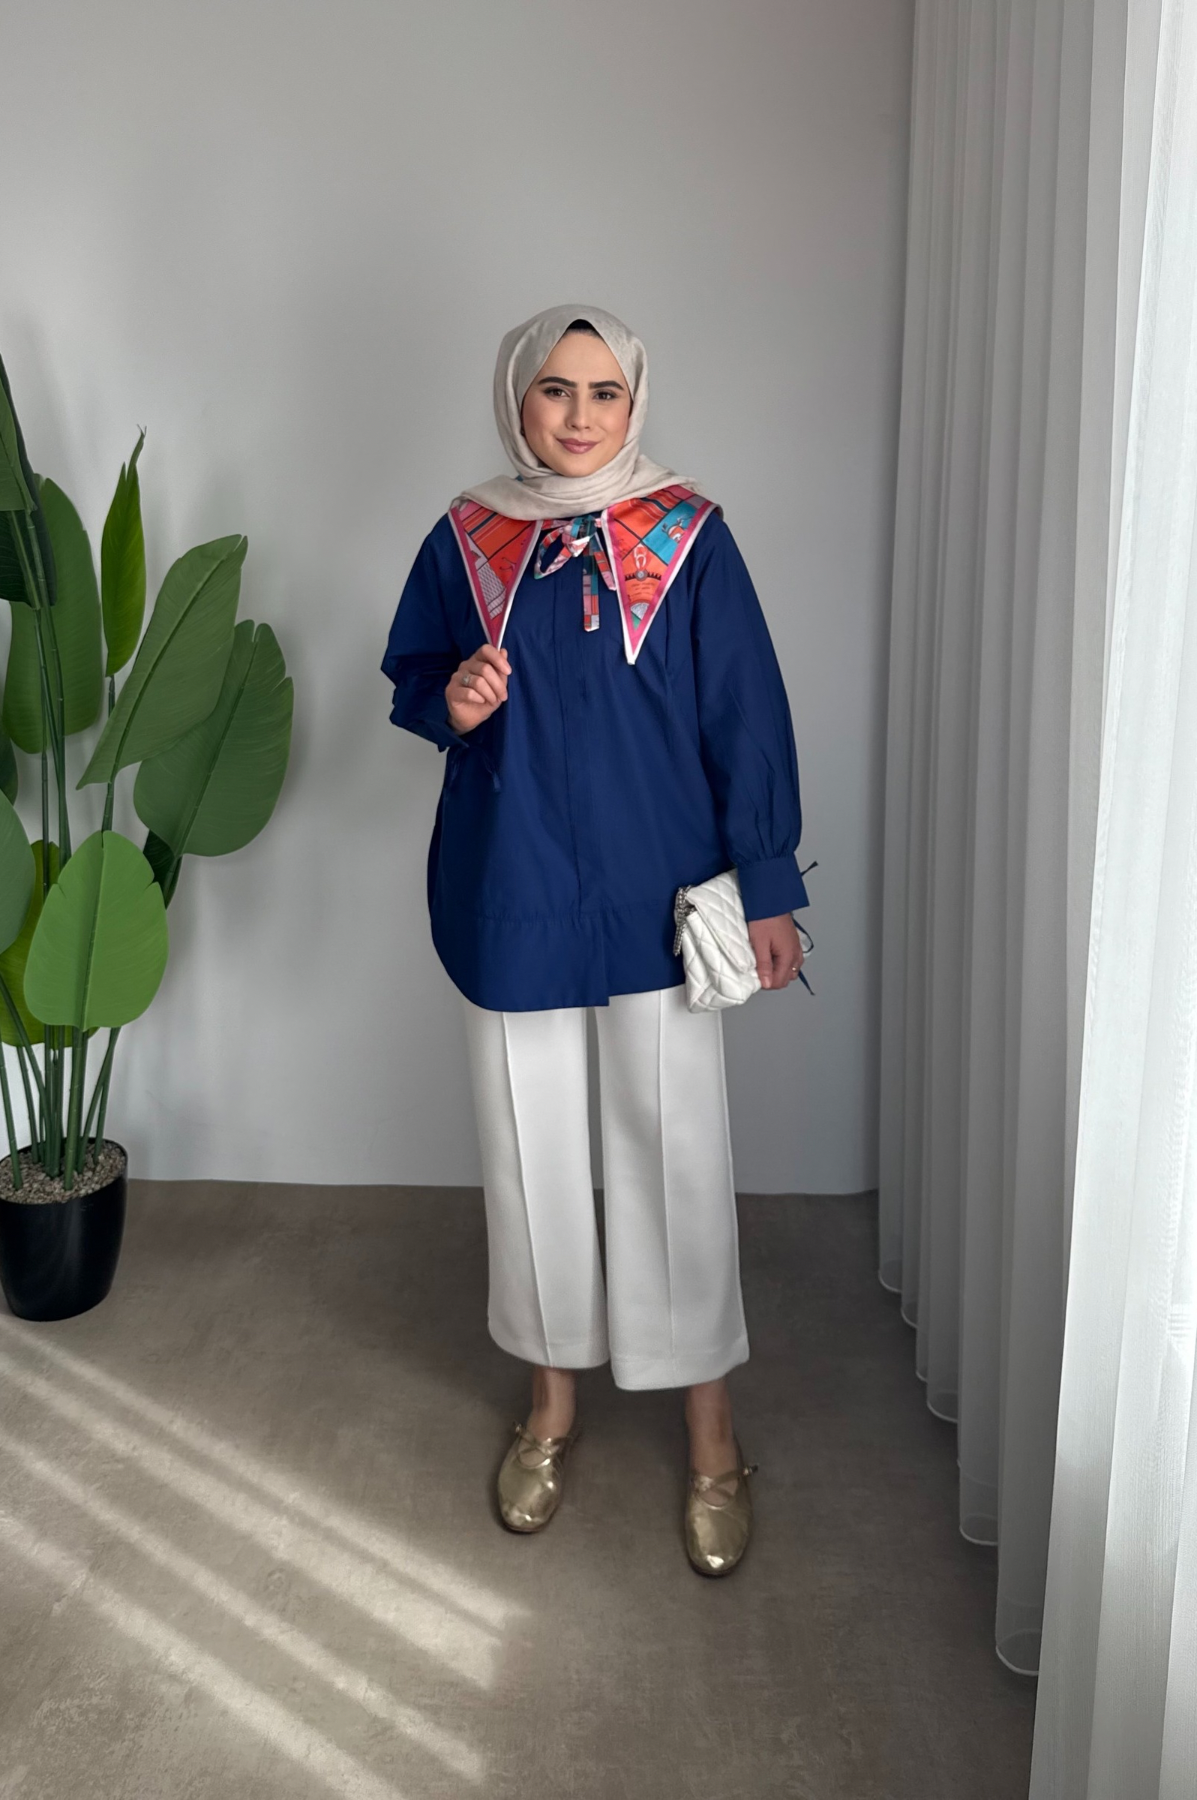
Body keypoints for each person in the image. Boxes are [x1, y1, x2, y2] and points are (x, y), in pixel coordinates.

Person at [381, 304, 809, 1576]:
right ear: (517, 399)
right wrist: (453, 700)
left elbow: (746, 712)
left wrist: (767, 884)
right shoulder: (468, 536)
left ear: (635, 402)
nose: (579, 415)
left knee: (675, 1152)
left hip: (657, 896)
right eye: (555, 390)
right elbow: (415, 675)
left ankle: (711, 1428)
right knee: (531, 1154)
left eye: (604, 391)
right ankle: (553, 1397)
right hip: (511, 886)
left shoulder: (690, 536)